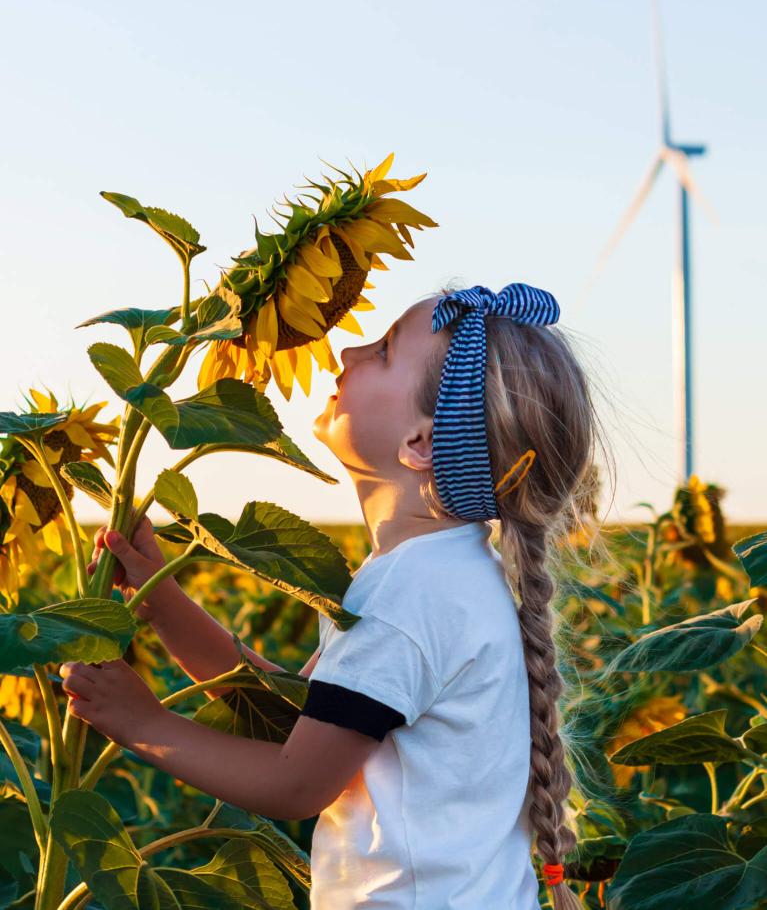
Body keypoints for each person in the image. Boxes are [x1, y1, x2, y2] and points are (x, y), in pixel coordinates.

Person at [61, 281, 604, 910]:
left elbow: (296, 783)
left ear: (421, 444)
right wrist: (167, 604)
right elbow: (301, 718)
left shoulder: (414, 594)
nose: (348, 353)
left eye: (382, 351)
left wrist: (140, 722)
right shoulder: (430, 574)